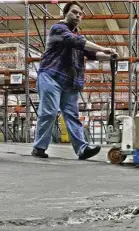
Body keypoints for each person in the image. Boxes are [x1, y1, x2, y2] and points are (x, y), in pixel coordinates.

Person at [31, 1, 118, 160]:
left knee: (72, 115)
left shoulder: (79, 36)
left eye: (80, 14)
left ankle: (82, 150)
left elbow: (90, 54)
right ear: (65, 14)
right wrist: (102, 47)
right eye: (74, 12)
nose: (78, 15)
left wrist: (108, 56)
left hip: (70, 83)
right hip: (52, 76)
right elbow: (74, 41)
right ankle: (39, 147)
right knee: (49, 112)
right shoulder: (58, 29)